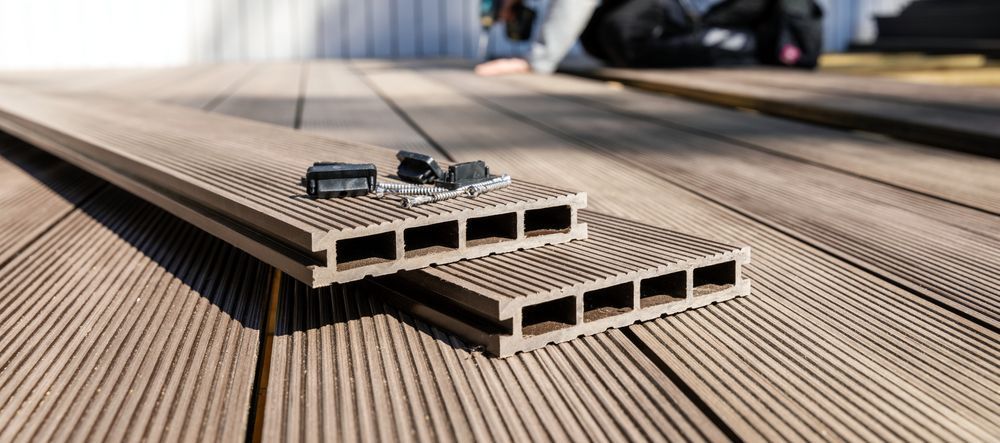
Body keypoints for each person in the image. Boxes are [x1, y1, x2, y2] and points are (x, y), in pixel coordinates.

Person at [475, 0, 822, 76]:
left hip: (649, 14)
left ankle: (764, 45)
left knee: (621, 35)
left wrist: (537, 61)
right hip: (633, 19)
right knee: (607, 37)